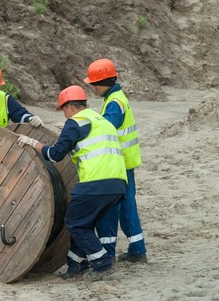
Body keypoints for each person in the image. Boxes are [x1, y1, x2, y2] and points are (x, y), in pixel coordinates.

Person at [17, 85, 127, 281]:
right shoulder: (100, 120)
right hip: (117, 184)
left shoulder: (75, 123)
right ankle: (76, 263)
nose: (65, 116)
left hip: (96, 182)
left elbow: (55, 155)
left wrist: (33, 143)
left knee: (75, 223)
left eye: (64, 111)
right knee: (84, 222)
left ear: (69, 106)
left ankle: (102, 263)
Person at [84, 58, 147, 263]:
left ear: (102, 83)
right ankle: (138, 249)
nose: (93, 88)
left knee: (111, 209)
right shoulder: (116, 98)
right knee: (128, 206)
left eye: (93, 84)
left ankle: (108, 253)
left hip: (117, 165)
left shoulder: (114, 103)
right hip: (126, 162)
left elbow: (105, 129)